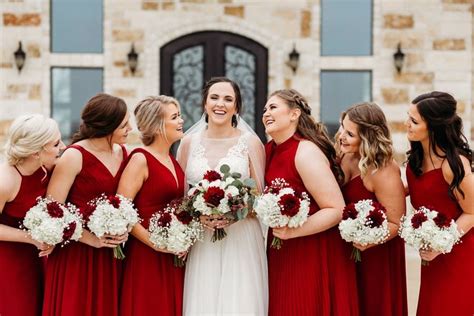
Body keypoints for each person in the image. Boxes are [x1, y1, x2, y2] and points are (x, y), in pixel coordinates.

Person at [263, 89, 359, 315]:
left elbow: (336, 209)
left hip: (310, 250)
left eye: (273, 107)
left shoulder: (305, 152)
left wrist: (292, 231)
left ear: (294, 114)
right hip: (282, 248)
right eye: (265, 109)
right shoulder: (269, 150)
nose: (266, 113)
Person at [177, 77, 268, 315]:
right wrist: (198, 216)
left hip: (241, 237)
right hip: (202, 239)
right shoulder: (188, 142)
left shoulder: (249, 143)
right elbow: (180, 197)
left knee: (240, 303)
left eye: (229, 99)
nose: (221, 104)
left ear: (236, 107)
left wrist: (235, 213)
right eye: (214, 97)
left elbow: (261, 199)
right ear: (204, 104)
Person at [42, 93, 132, 316]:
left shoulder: (124, 153)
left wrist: (124, 228)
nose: (130, 128)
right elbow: (53, 210)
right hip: (77, 254)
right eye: (124, 124)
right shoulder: (74, 156)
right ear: (107, 126)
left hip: (111, 254)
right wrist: (90, 239)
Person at [405, 91, 473, 315]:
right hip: (433, 259)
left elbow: (472, 213)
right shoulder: (414, 161)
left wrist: (440, 245)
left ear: (432, 127)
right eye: (408, 117)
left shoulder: (453, 165)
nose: (407, 124)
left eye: (414, 121)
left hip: (460, 255)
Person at [337, 102, 407, 316]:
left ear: (367, 138)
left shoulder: (383, 170)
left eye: (350, 133)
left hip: (376, 256)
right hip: (345, 252)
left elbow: (397, 222)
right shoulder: (343, 155)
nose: (341, 136)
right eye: (342, 128)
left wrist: (368, 238)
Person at [118, 96, 185, 315]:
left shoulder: (173, 160)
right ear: (157, 126)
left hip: (172, 254)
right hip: (146, 255)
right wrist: (155, 243)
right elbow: (122, 209)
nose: (181, 121)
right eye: (175, 117)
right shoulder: (141, 159)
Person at [0, 114, 63, 316]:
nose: (63, 146)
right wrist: (32, 238)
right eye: (55, 144)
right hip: (10, 259)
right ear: (36, 152)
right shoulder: (6, 181)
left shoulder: (48, 166)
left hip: (38, 253)